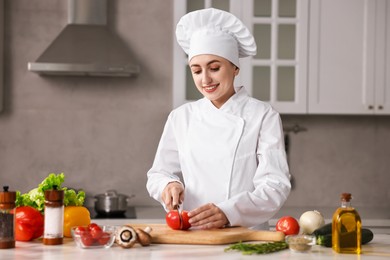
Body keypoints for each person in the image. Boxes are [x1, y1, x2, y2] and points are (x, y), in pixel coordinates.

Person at [146, 8, 291, 230]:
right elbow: (158, 174)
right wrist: (169, 184)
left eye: (214, 68)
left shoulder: (262, 115)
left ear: (235, 68)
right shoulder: (181, 117)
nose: (205, 79)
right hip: (193, 235)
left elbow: (275, 184)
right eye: (196, 70)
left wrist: (229, 212)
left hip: (245, 236)